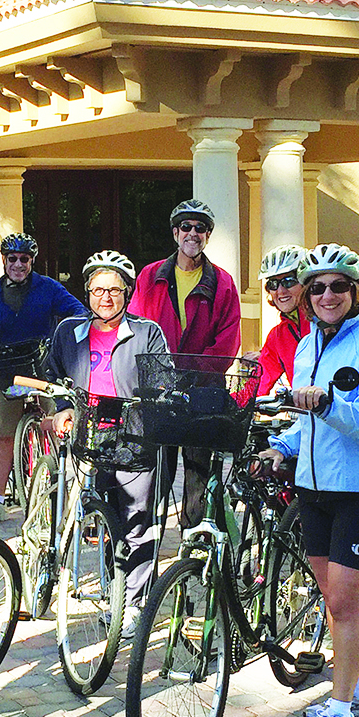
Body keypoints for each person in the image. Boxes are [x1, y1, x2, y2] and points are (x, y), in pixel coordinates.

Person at [264, 244, 359, 717]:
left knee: (344, 604)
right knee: (334, 600)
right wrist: (281, 447)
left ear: (354, 290)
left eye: (338, 285)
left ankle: (341, 713)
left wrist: (329, 403)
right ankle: (358, 691)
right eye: (317, 287)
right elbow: (307, 424)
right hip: (314, 490)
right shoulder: (305, 347)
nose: (327, 295)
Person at [44, 250, 168, 620]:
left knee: (136, 521)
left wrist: (151, 402)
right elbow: (53, 375)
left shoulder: (147, 332)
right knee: (97, 517)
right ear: (87, 293)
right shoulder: (69, 332)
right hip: (87, 439)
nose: (106, 298)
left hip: (133, 439)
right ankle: (104, 585)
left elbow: (162, 380)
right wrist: (62, 407)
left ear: (127, 292)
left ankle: (132, 604)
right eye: (98, 290)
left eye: (114, 290)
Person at [127, 199, 241, 528]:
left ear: (208, 236)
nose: (193, 233)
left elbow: (228, 340)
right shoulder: (150, 276)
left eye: (200, 228)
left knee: (198, 479)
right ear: (175, 233)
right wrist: (154, 374)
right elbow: (137, 329)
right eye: (186, 227)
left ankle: (194, 544)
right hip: (159, 390)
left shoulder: (223, 282)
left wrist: (194, 374)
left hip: (202, 392)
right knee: (154, 475)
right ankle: (147, 541)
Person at [0, 232, 88, 525]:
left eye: (24, 259)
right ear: (3, 260)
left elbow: (78, 312)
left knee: (56, 427)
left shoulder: (48, 288)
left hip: (44, 365)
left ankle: (59, 493)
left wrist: (62, 338)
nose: (18, 264)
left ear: (32, 261)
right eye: (12, 258)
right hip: (8, 368)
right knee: (5, 437)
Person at [255, 245, 311, 395]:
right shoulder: (278, 336)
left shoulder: (325, 322)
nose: (280, 291)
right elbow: (257, 384)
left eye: (289, 281)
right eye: (273, 284)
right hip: (303, 408)